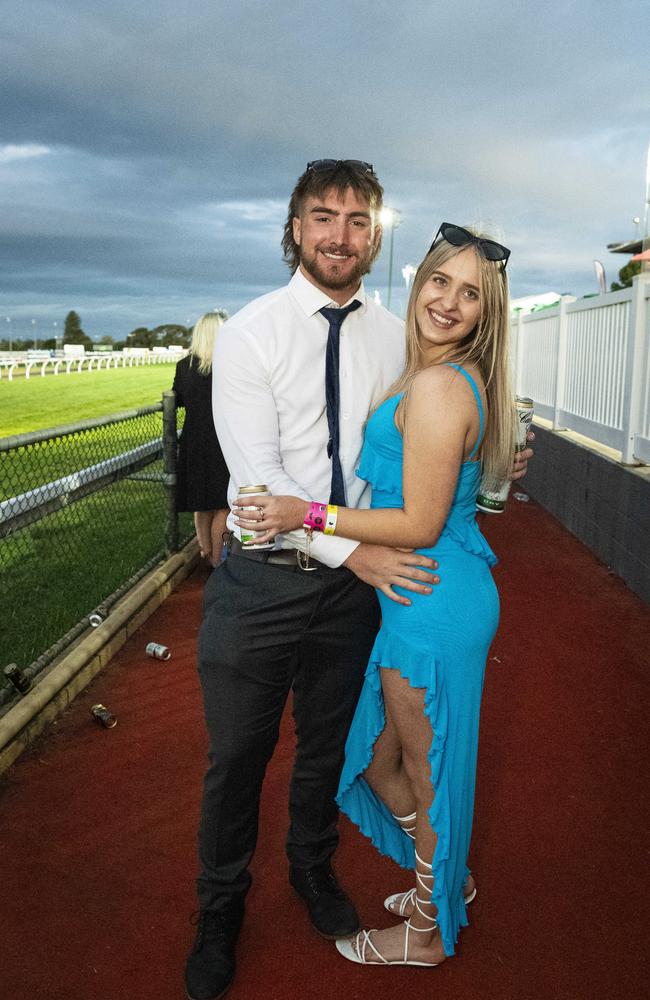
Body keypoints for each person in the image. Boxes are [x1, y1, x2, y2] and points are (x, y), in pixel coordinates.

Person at [185, 162, 531, 1000]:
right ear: (296, 228)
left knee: (329, 753)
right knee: (237, 757)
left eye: (358, 220)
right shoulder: (252, 333)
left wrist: (494, 466)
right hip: (273, 581)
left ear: (378, 236)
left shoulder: (397, 339)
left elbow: (428, 456)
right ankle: (220, 912)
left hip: (365, 591)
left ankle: (315, 873)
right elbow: (259, 488)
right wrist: (360, 552)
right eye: (323, 217)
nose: (341, 235)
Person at [172, 311, 230, 567]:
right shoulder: (231, 363)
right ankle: (218, 561)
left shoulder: (184, 366)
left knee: (201, 501)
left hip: (193, 441)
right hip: (224, 440)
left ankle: (204, 551)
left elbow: (178, 398)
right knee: (222, 505)